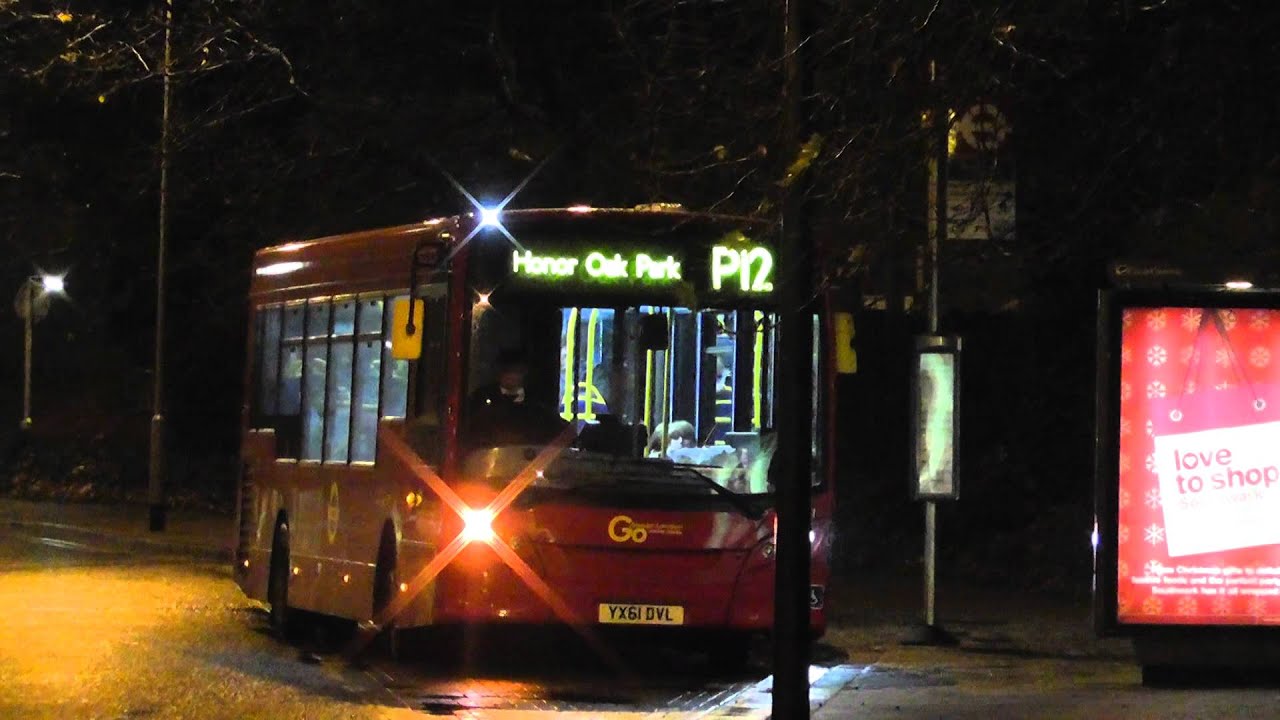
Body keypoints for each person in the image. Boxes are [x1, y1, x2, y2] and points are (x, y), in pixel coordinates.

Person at [466, 349, 565, 446]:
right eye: (507, 371)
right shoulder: (482, 398)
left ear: (525, 373)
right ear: (498, 373)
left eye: (517, 371)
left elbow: (558, 430)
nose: (512, 376)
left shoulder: (537, 402)